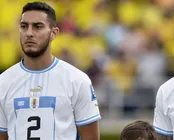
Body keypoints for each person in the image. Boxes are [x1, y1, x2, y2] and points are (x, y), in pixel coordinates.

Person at [0, 2, 101, 140]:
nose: (29, 33)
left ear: (54, 33)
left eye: (38, 27)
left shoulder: (77, 81)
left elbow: (91, 137)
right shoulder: (3, 82)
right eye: (24, 26)